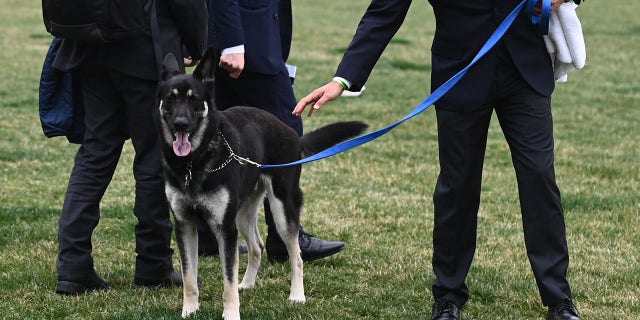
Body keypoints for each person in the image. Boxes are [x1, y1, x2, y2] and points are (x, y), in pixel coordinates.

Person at [293, 1, 582, 319]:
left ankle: (559, 298)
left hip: (525, 70)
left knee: (539, 176)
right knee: (457, 185)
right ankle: (448, 295)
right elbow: (384, 11)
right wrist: (343, 80)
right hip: (460, 72)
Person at [50, 0, 207, 295]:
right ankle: (153, 261)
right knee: (153, 159)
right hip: (146, 49)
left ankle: (72, 265)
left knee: (95, 154)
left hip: (91, 45)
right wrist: (197, 42)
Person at [195, 0, 346, 263]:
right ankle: (285, 234)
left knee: (221, 134)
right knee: (286, 133)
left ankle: (209, 231)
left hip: (245, 36)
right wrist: (231, 42)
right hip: (245, 43)